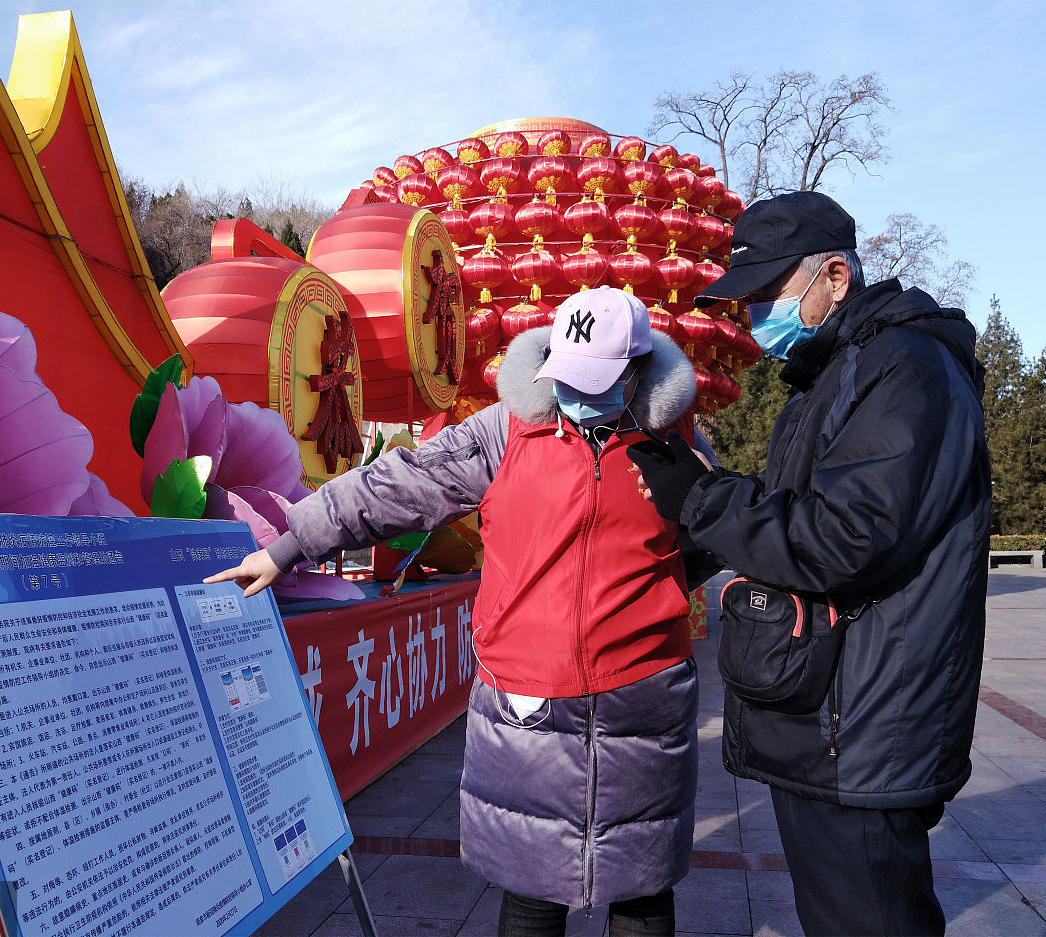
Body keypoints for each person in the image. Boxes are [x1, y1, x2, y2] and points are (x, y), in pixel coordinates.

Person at [206, 285, 718, 937]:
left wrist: (646, 602)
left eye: (596, 381)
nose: (576, 394)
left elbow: (708, 536)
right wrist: (289, 546)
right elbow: (395, 486)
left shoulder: (675, 440)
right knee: (531, 894)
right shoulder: (505, 430)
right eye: (567, 377)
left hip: (642, 698)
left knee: (643, 894)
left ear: (638, 372)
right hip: (528, 703)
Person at [628, 191, 990, 937]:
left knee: (867, 917)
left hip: (863, 722)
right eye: (748, 299)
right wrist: (704, 512)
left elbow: (847, 534)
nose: (758, 315)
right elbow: (799, 505)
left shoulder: (906, 369)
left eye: (770, 292)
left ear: (836, 274)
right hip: (831, 711)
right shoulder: (834, 371)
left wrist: (704, 500)